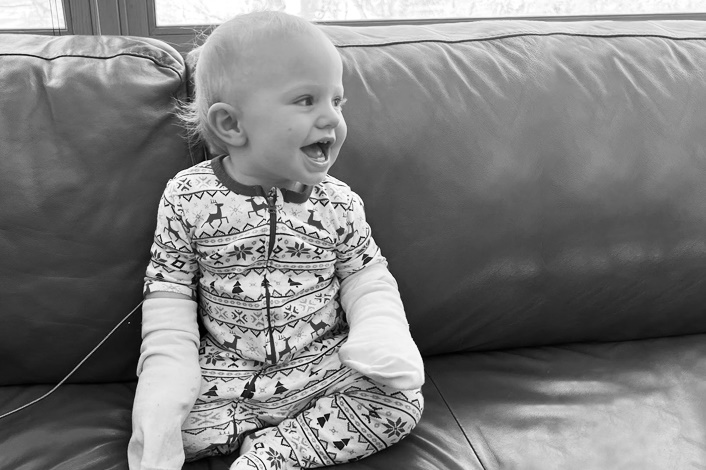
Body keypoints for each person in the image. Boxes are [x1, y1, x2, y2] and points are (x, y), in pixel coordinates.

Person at [128, 10, 424, 470]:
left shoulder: (339, 202)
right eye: (306, 100)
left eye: (337, 101)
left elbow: (367, 277)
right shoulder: (186, 197)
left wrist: (381, 336)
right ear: (231, 125)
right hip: (227, 378)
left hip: (324, 367)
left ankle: (272, 454)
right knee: (166, 430)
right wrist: (167, 383)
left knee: (400, 403)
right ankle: (278, 435)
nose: (332, 117)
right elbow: (168, 291)